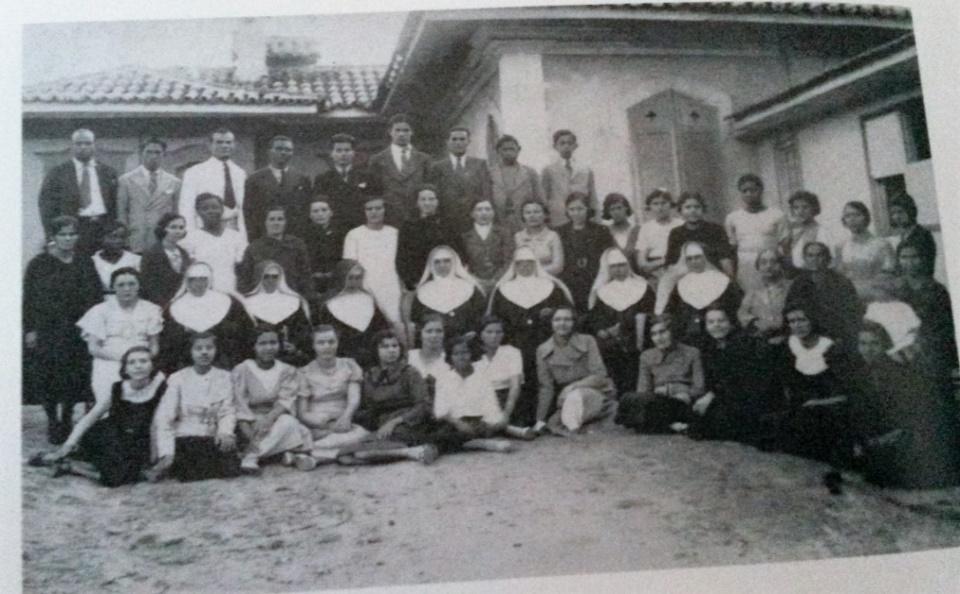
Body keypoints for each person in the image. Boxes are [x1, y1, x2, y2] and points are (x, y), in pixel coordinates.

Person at [29, 347, 167, 487]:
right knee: (115, 477)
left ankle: (69, 466)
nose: (138, 366)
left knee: (133, 472)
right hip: (110, 435)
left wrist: (154, 456)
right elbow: (91, 417)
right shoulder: (118, 388)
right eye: (132, 362)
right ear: (125, 369)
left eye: (143, 361)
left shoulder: (161, 388)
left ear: (153, 365)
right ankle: (65, 462)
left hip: (139, 439)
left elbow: (157, 424)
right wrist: (67, 445)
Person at [847, 321, 960, 489]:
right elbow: (858, 412)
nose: (868, 350)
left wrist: (882, 439)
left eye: (874, 344)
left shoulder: (900, 373)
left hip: (902, 433)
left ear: (884, 345)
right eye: (863, 344)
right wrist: (861, 441)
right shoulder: (860, 373)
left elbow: (912, 413)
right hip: (876, 436)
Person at [23, 215, 103, 444]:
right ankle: (52, 419)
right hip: (48, 328)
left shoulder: (84, 262)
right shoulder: (39, 264)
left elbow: (95, 295)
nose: (68, 239)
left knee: (73, 375)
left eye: (72, 234)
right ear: (53, 237)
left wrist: (94, 325)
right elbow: (29, 299)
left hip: (77, 328)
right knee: (48, 375)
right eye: (63, 234)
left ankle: (67, 418)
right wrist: (30, 330)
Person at [487, 247, 574, 412]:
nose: (525, 266)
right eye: (521, 263)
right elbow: (497, 319)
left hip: (545, 340)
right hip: (514, 343)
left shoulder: (551, 287)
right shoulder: (503, 289)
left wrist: (552, 313)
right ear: (515, 266)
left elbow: (567, 313)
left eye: (529, 263)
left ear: (536, 265)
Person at [148, 332, 241, 482]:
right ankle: (173, 464)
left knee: (232, 468)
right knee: (193, 469)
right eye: (198, 348)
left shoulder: (224, 377)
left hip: (212, 435)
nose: (204, 352)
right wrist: (167, 452)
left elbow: (227, 410)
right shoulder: (177, 378)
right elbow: (165, 417)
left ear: (216, 350)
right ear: (190, 351)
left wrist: (225, 432)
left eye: (209, 347)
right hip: (186, 436)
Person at [688, 307, 782, 444]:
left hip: (747, 395)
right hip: (724, 394)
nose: (716, 325)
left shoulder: (744, 343)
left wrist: (711, 396)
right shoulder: (709, 346)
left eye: (721, 321)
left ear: (731, 323)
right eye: (711, 322)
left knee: (714, 421)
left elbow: (739, 377)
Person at [347, 329, 443, 465]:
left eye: (395, 346)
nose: (391, 350)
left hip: (408, 423)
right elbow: (368, 407)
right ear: (376, 350)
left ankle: (408, 450)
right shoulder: (370, 375)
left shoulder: (410, 373)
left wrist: (394, 422)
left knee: (359, 452)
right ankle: (412, 452)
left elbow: (423, 405)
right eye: (385, 346)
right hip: (382, 424)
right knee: (346, 457)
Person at [774, 303, 850, 467]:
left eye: (802, 320)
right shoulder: (790, 345)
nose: (797, 325)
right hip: (800, 406)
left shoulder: (830, 348)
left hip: (829, 407)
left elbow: (845, 393)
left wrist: (817, 403)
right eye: (792, 321)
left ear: (813, 321)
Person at [232, 327, 314, 473]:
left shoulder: (287, 370)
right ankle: (282, 454)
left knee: (291, 424)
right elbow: (240, 405)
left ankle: (251, 456)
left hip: (275, 420)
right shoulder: (242, 370)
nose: (269, 348)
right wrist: (250, 433)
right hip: (250, 422)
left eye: (273, 342)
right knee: (298, 438)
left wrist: (268, 419)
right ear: (254, 346)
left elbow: (285, 401)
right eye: (262, 344)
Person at [76, 267, 163, 403]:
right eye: (121, 285)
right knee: (108, 404)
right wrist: (122, 359)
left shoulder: (151, 309)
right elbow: (93, 348)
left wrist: (141, 360)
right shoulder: (99, 311)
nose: (126, 289)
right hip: (109, 363)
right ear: (113, 287)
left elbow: (154, 346)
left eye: (131, 284)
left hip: (140, 362)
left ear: (139, 286)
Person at [293, 326, 372, 467]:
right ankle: (329, 453)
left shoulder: (349, 365)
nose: (327, 346)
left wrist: (347, 416)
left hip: (343, 422)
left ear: (337, 343)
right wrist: (325, 425)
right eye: (321, 343)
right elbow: (302, 412)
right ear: (313, 346)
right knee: (357, 440)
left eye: (331, 342)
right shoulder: (304, 372)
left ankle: (309, 454)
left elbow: (354, 399)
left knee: (363, 434)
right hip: (316, 425)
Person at [157, 262, 255, 374]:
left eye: (203, 279)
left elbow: (246, 333)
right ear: (186, 281)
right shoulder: (173, 307)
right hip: (186, 366)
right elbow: (167, 344)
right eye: (193, 279)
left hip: (225, 364)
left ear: (210, 280)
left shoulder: (229, 302)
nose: (198, 283)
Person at [616, 314, 705, 434]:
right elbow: (643, 389)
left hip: (683, 401)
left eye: (663, 332)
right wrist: (657, 393)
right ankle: (670, 425)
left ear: (673, 332)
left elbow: (699, 388)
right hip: (657, 400)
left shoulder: (692, 353)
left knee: (643, 414)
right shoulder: (646, 356)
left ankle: (663, 425)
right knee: (628, 398)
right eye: (654, 334)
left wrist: (677, 391)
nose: (658, 338)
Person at [534, 306, 615, 434]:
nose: (562, 323)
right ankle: (579, 428)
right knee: (553, 423)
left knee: (576, 398)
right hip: (567, 399)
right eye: (557, 320)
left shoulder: (587, 340)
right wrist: (540, 419)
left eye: (567, 319)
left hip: (596, 391)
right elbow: (546, 387)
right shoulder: (543, 350)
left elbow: (600, 375)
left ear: (574, 323)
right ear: (551, 323)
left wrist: (571, 387)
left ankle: (580, 427)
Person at [38, 128, 119, 255]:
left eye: (88, 143)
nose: (83, 147)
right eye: (79, 143)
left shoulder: (108, 172)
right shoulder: (58, 173)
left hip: (103, 228)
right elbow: (46, 208)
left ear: (94, 145)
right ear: (72, 146)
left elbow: (116, 204)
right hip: (73, 229)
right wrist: (51, 237)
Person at [586, 248, 655, 394]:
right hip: (612, 347)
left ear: (628, 265)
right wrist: (602, 330)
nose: (618, 270)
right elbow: (595, 317)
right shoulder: (602, 290)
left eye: (621, 265)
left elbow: (651, 313)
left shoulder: (643, 287)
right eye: (613, 266)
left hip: (639, 342)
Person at [432, 335, 515, 451]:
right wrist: (458, 424)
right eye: (456, 354)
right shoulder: (444, 378)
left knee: (491, 425)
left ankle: (476, 440)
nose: (461, 357)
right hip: (454, 423)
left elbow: (491, 404)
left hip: (479, 422)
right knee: (439, 436)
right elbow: (440, 411)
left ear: (471, 354)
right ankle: (481, 443)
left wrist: (489, 423)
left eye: (465, 352)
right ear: (450, 357)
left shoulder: (481, 376)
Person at [659, 191, 735, 312]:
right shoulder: (676, 233)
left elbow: (725, 257)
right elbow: (671, 263)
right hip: (686, 278)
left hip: (713, 277)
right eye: (688, 207)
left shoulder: (715, 229)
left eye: (697, 207)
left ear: (703, 209)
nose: (693, 210)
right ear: (680, 211)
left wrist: (729, 278)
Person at [895, 242, 958, 386]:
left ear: (924, 259)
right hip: (901, 351)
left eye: (914, 257)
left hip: (931, 351)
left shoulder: (937, 290)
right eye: (904, 257)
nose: (909, 262)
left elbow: (946, 328)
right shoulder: (894, 289)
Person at [785, 242, 863, 353]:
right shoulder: (798, 283)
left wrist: (841, 337)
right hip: (806, 336)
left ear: (828, 259)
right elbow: (789, 311)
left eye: (819, 255)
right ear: (805, 259)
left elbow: (853, 313)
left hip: (835, 336)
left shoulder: (842, 282)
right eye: (810, 255)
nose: (815, 259)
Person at [665, 242, 743, 348]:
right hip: (688, 338)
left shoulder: (724, 282)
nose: (694, 262)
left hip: (718, 336)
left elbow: (736, 311)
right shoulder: (680, 284)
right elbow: (671, 311)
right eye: (689, 258)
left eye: (698, 257)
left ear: (706, 257)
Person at [342, 195, 404, 329]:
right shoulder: (354, 235)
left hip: (391, 288)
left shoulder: (394, 233)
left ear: (385, 210)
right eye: (369, 209)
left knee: (395, 326)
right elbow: (350, 266)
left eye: (378, 208)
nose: (373, 212)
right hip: (365, 288)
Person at [313, 260, 390, 367]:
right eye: (350, 278)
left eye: (358, 278)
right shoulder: (327, 303)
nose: (354, 282)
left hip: (372, 352)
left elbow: (382, 328)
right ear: (341, 278)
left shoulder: (368, 298)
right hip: (342, 354)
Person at [178, 128, 248, 244]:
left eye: (228, 142)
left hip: (236, 233)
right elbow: (186, 208)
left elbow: (243, 208)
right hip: (205, 233)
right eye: (219, 142)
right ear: (210, 145)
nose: (224, 146)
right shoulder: (195, 172)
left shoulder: (240, 173)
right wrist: (190, 238)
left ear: (234, 145)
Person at [116, 137, 181, 254]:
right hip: (136, 236)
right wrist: (124, 237)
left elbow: (175, 213)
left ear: (164, 155)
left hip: (161, 237)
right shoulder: (126, 180)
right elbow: (122, 212)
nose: (153, 156)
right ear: (141, 154)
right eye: (149, 152)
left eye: (158, 152)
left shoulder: (174, 182)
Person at [242, 261, 313, 366]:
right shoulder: (246, 303)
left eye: (274, 277)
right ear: (259, 278)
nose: (271, 280)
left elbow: (303, 331)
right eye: (266, 277)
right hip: (257, 360)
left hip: (289, 358)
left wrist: (295, 346)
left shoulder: (294, 301)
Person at [243, 135, 312, 242]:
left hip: (294, 239)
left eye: (288, 150)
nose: (283, 152)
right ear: (269, 152)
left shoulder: (302, 179)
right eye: (279, 149)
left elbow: (306, 211)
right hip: (264, 238)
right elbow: (249, 213)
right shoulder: (254, 179)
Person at [724, 174, 786, 292]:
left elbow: (785, 246)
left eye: (753, 190)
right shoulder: (733, 217)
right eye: (744, 191)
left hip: (770, 265)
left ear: (761, 190)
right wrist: (732, 275)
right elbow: (732, 248)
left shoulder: (777, 215)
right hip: (746, 267)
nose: (749, 194)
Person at [410, 245, 486, 341]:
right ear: (431, 265)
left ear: (454, 262)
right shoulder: (422, 291)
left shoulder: (469, 287)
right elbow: (416, 320)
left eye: (447, 261)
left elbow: (481, 316)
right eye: (437, 262)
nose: (442, 265)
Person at [367, 114, 432, 225]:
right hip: (389, 216)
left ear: (412, 132)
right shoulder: (377, 159)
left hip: (417, 216)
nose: (401, 134)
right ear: (390, 132)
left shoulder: (424, 159)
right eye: (397, 130)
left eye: (406, 130)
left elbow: (428, 187)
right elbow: (374, 191)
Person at [236, 205, 313, 298]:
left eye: (280, 219)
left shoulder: (297, 245)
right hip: (263, 298)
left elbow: (305, 276)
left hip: (292, 296)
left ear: (285, 222)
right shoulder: (254, 248)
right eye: (272, 219)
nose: (276, 223)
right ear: (265, 222)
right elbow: (244, 279)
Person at [396, 184, 462, 290]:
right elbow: (402, 258)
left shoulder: (448, 223)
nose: (427, 203)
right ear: (417, 202)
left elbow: (459, 251)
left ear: (437, 201)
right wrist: (412, 281)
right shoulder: (408, 226)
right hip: (420, 281)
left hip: (448, 278)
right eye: (423, 199)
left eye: (431, 199)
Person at [427, 126, 493, 232]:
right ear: (447, 142)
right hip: (446, 223)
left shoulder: (480, 165)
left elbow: (486, 193)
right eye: (454, 139)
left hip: (474, 222)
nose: (458, 143)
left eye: (462, 139)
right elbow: (434, 196)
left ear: (468, 141)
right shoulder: (438, 167)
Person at [314, 133, 383, 232]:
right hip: (333, 231)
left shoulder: (368, 177)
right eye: (338, 150)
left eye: (347, 150)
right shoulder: (322, 179)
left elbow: (375, 204)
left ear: (353, 153)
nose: (343, 154)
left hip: (360, 228)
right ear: (331, 153)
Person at [178, 193, 246, 294]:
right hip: (203, 293)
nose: (211, 211)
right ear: (198, 212)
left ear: (222, 210)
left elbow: (242, 267)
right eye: (205, 208)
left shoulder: (236, 237)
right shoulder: (190, 239)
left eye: (215, 207)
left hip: (232, 291)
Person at [557, 192, 613, 312]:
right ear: (567, 211)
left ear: (587, 209)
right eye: (572, 209)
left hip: (594, 278)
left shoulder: (601, 230)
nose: (576, 213)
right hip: (569, 280)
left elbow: (608, 256)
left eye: (580, 209)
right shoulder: (559, 232)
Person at [835, 201, 895, 298]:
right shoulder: (841, 246)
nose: (852, 219)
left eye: (857, 215)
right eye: (848, 216)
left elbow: (889, 272)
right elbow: (839, 275)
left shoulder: (882, 244)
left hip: (876, 294)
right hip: (849, 296)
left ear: (866, 217)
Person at [477, 316, 528, 429]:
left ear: (503, 334)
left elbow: (515, 386)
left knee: (501, 423)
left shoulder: (512, 352)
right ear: (481, 334)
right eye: (489, 332)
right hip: (484, 399)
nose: (494, 336)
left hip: (508, 399)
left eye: (498, 332)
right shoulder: (474, 355)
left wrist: (506, 415)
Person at [540, 129, 596, 226]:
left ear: (575, 146)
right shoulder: (548, 170)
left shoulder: (585, 170)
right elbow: (543, 197)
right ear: (555, 147)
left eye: (570, 143)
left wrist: (595, 219)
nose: (566, 146)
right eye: (562, 143)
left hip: (581, 218)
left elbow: (592, 197)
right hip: (558, 218)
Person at [737, 248, 793, 344]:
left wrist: (779, 328)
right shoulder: (752, 289)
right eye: (763, 262)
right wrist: (756, 322)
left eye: (773, 262)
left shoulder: (791, 287)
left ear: (781, 265)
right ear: (758, 267)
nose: (768, 266)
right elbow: (742, 313)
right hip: (760, 338)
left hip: (785, 338)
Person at [460, 198, 515, 295]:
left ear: (493, 213)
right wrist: (474, 280)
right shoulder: (465, 237)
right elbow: (463, 264)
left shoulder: (504, 233)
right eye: (479, 210)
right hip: (474, 283)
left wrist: (496, 280)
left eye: (488, 209)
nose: (484, 213)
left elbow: (509, 259)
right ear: (472, 214)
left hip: (501, 283)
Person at [489, 134, 541, 232]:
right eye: (505, 149)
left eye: (512, 149)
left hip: (524, 222)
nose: (508, 152)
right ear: (498, 151)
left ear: (518, 150)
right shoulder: (490, 173)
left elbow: (539, 198)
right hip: (498, 222)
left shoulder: (530, 172)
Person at [140, 213, 191, 308]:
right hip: (158, 304)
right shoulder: (151, 253)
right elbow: (147, 284)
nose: (178, 231)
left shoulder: (184, 253)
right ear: (163, 229)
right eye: (173, 227)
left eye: (181, 227)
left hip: (181, 304)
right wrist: (163, 305)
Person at [301, 196, 345, 297]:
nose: (320, 214)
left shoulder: (340, 234)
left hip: (335, 281)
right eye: (315, 211)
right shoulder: (304, 236)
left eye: (324, 210)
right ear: (310, 215)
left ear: (331, 213)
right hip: (312, 282)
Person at [634, 189, 683, 280]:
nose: (660, 207)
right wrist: (663, 262)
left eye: (664, 203)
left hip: (679, 269)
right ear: (650, 207)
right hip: (655, 272)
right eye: (655, 204)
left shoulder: (680, 224)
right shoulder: (646, 228)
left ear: (670, 205)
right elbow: (642, 263)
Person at [780, 190, 830, 274]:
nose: (800, 211)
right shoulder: (792, 232)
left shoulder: (821, 231)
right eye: (796, 208)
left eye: (805, 207)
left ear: (814, 209)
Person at [887, 193, 936, 273]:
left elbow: (925, 268)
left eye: (900, 212)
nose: (896, 217)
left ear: (910, 211)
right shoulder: (904, 235)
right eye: (893, 213)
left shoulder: (923, 235)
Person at [514, 199, 563, 276]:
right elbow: (513, 264)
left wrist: (533, 272)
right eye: (528, 212)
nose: (532, 215)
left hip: (548, 280)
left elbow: (558, 266)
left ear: (545, 215)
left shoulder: (552, 236)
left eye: (536, 212)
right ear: (523, 216)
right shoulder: (518, 237)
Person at [90, 220, 142, 292]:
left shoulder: (136, 260)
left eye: (122, 237)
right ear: (101, 238)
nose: (118, 241)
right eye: (113, 237)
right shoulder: (92, 262)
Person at [601, 192, 642, 273]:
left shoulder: (638, 230)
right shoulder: (605, 232)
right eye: (612, 209)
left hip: (637, 275)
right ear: (608, 212)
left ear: (626, 208)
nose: (616, 212)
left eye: (619, 208)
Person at [406, 314, 453, 384]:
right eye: (429, 331)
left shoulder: (449, 359)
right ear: (420, 334)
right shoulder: (409, 356)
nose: (434, 335)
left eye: (439, 331)